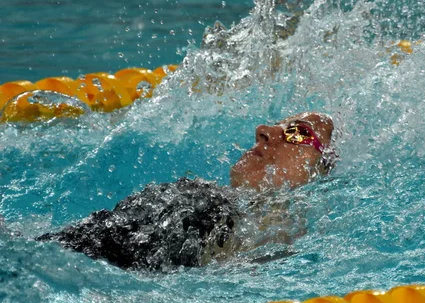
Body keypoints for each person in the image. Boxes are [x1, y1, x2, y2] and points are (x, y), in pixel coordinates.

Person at [37, 112, 336, 271]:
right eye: (276, 124)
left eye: (298, 132)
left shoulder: (277, 233)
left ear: (320, 171)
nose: (265, 130)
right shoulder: (216, 202)